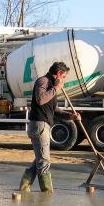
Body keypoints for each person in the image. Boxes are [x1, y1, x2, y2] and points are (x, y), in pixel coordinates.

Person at [19, 62, 81, 193]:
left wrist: (71, 116)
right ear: (58, 73)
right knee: (44, 160)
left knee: (40, 158)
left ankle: (24, 186)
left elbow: (55, 110)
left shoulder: (52, 85)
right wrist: (56, 89)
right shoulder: (43, 81)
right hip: (39, 125)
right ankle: (46, 192)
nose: (63, 80)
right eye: (63, 76)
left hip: (44, 125)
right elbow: (40, 99)